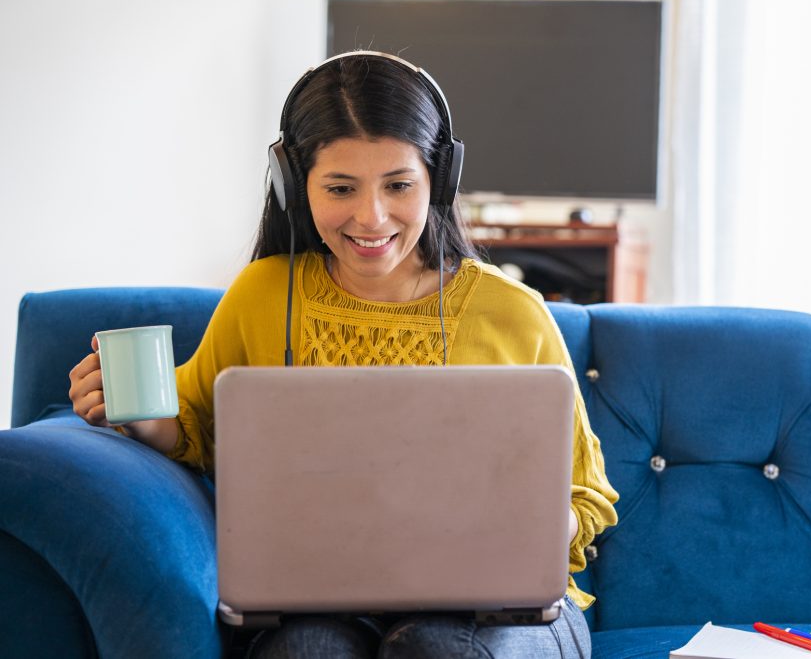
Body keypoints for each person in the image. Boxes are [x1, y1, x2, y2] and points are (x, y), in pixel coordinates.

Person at [68, 51, 618, 658]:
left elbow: (584, 496)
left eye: (399, 185)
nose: (371, 216)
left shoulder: (513, 312)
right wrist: (138, 415)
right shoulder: (262, 294)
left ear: (440, 179)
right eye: (340, 188)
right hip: (320, 602)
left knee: (435, 650)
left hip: (500, 613)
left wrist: (520, 530)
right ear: (293, 184)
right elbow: (197, 428)